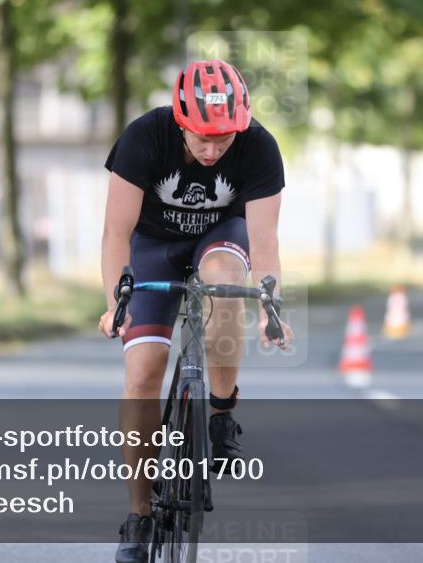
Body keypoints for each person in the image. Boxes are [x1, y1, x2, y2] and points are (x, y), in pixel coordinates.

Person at [98, 59, 295, 563]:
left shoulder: (259, 147)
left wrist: (272, 303)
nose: (212, 150)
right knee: (142, 375)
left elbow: (264, 240)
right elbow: (116, 232)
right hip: (153, 244)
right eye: (201, 138)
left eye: (224, 139)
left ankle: (222, 409)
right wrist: (114, 302)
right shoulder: (144, 137)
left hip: (220, 238)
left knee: (226, 283)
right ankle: (139, 515)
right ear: (179, 120)